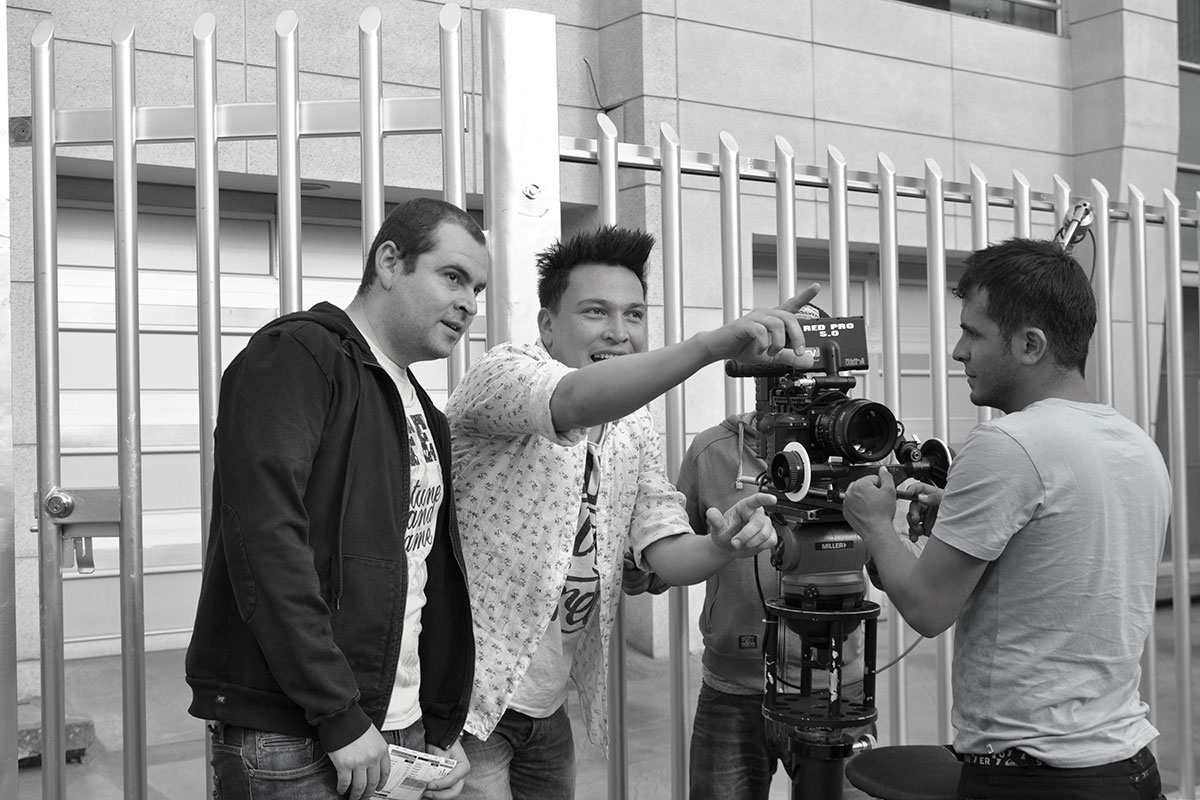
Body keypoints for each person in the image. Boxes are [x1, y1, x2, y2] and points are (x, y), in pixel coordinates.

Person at [444, 225, 820, 800]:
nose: (619, 332)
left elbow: (665, 549)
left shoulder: (631, 425)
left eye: (635, 315)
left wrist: (721, 546)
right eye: (595, 311)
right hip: (468, 704)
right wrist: (709, 347)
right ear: (547, 325)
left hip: (547, 708)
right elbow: (574, 398)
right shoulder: (503, 372)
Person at [842, 238, 1170, 800]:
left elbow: (926, 608)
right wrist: (960, 520)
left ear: (1030, 344)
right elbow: (1060, 559)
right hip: (1126, 764)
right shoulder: (1136, 444)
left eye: (973, 333)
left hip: (1030, 774)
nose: (958, 352)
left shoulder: (1007, 443)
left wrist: (874, 523)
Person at [185, 197, 488, 800]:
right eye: (453, 277)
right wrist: (337, 710)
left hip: (394, 728)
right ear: (389, 262)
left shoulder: (423, 411)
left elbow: (420, 573)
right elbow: (267, 541)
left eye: (477, 289)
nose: (469, 304)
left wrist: (437, 723)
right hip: (298, 735)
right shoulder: (297, 355)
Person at [675, 405, 869, 800]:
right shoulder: (710, 450)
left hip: (835, 689)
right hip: (732, 689)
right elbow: (670, 557)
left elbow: (890, 562)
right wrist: (635, 559)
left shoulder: (859, 443)